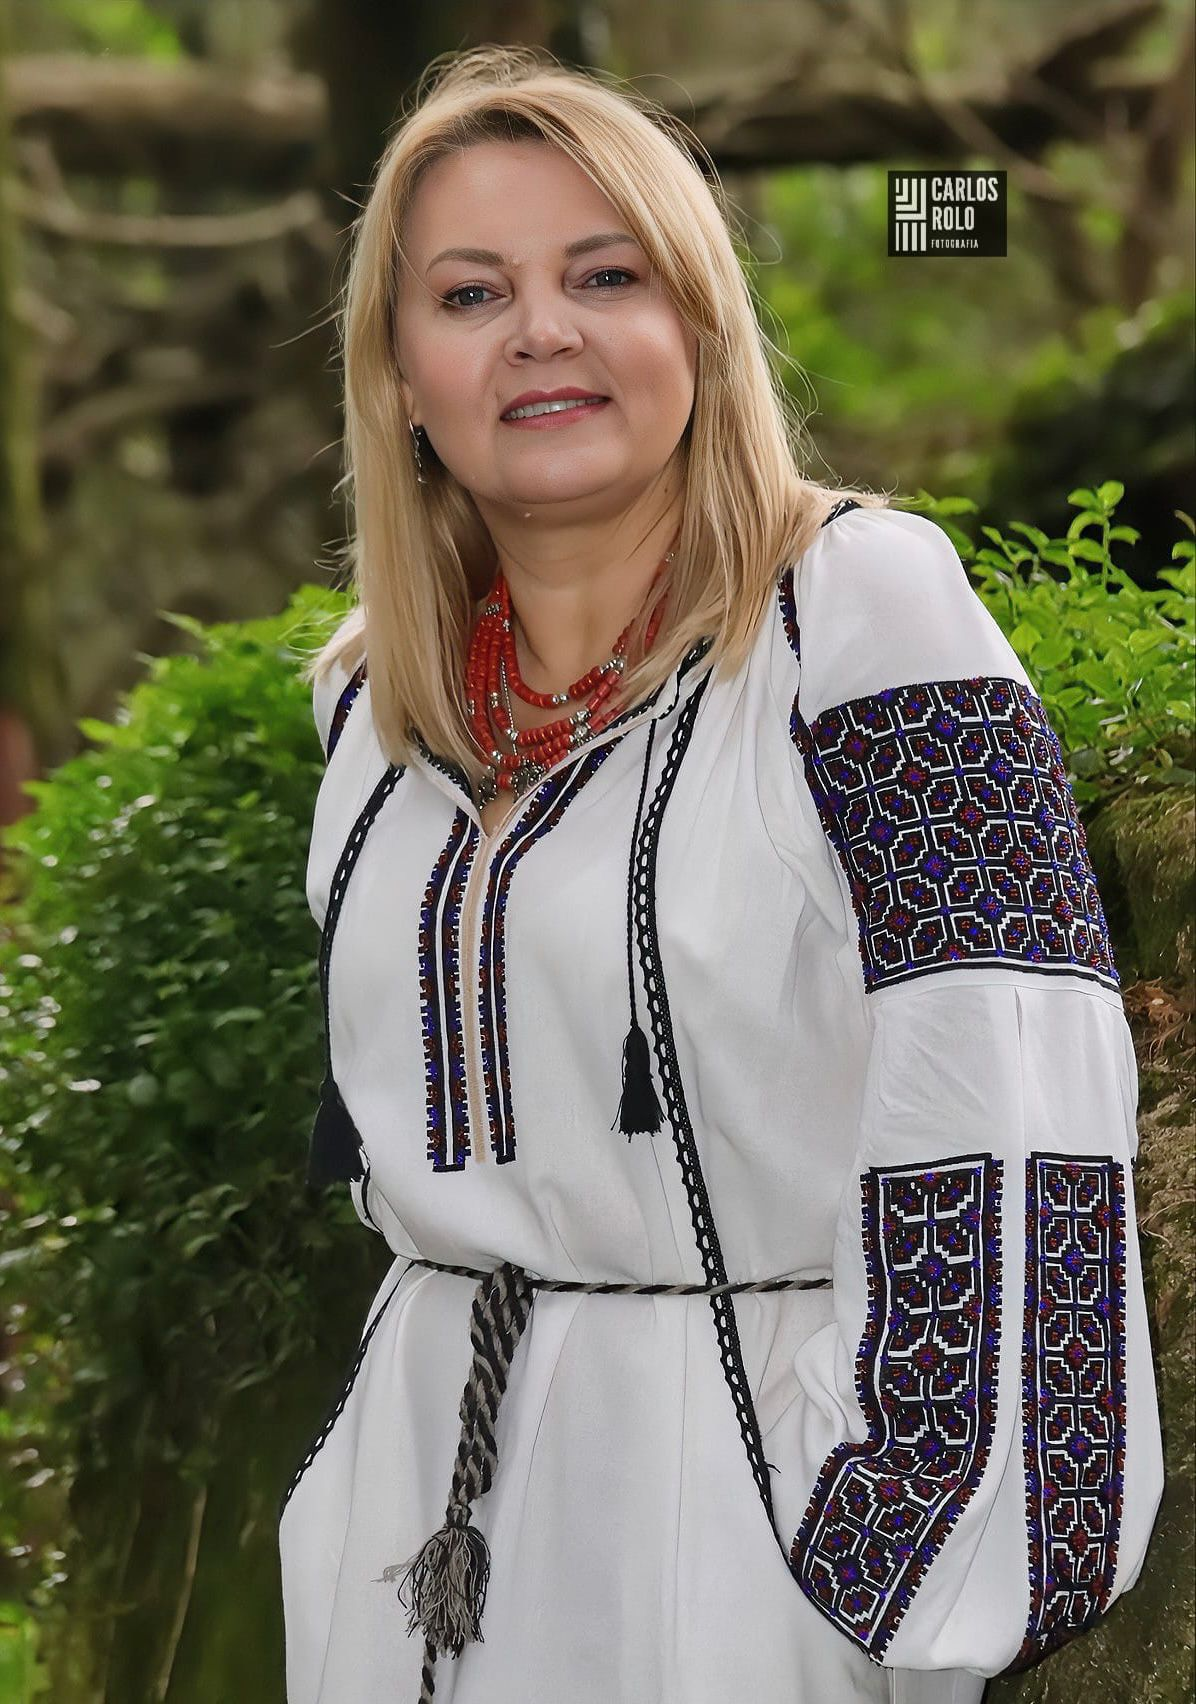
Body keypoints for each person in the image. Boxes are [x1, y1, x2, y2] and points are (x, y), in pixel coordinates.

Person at [278, 43, 1164, 1704]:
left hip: (739, 1503)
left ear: (698, 321)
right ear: (397, 374)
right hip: (421, 1509)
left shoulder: (862, 619)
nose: (540, 330)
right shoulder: (368, 703)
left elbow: (1010, 1085)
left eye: (604, 276)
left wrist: (892, 1543)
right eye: (470, 293)